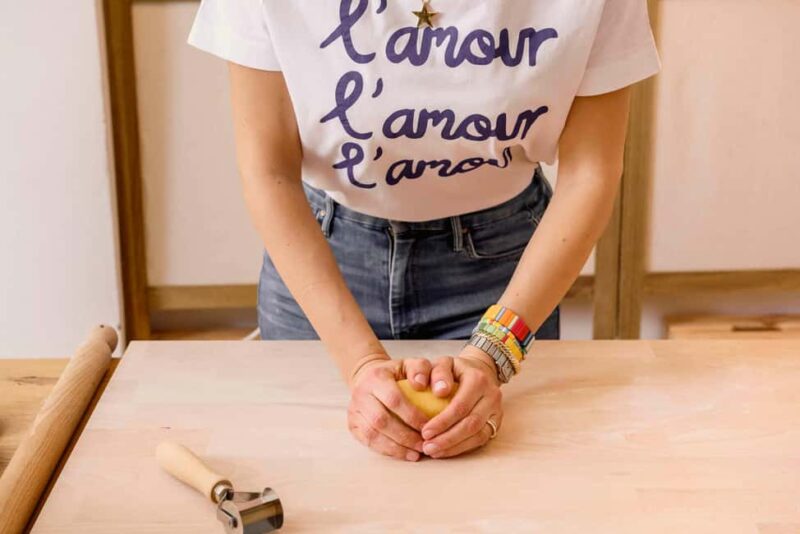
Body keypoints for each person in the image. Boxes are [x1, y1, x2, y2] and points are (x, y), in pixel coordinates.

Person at [187, 0, 661, 462]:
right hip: (322, 260)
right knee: (312, 474)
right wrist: (358, 362)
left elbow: (590, 172)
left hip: (506, 273)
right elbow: (268, 172)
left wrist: (491, 353)